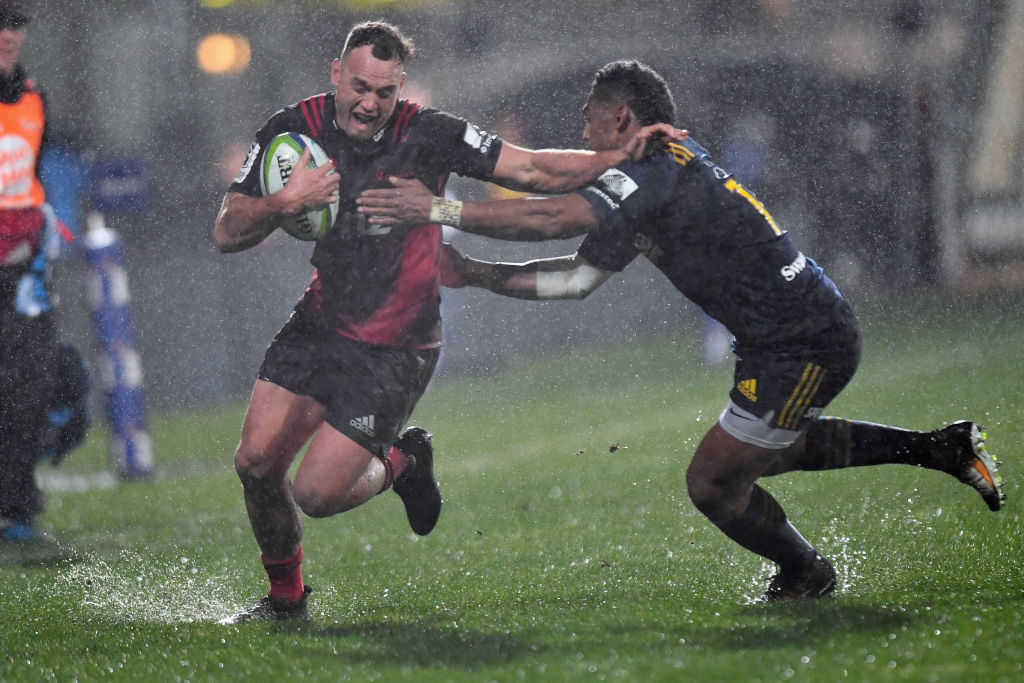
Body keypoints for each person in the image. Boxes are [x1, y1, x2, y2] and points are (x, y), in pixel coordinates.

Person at [356, 60, 1006, 602]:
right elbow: (574, 275)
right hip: (785, 336)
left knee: (713, 482)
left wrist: (437, 209)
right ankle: (942, 449)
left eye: (590, 118)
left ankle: (806, 572)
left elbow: (553, 216)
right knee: (767, 454)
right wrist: (473, 273)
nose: (583, 131)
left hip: (803, 337)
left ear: (620, 119)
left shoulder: (650, 173)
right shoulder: (646, 170)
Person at [212, 24, 683, 622]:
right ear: (336, 74)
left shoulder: (430, 134)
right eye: (359, 87)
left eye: (384, 92)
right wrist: (285, 203)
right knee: (254, 464)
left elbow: (531, 170)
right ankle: (286, 603)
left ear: (400, 89)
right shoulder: (292, 129)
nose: (368, 103)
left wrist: (620, 155)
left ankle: (402, 462)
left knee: (316, 495)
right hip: (319, 321)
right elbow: (227, 231)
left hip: (396, 346)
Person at [0, 0, 86, 544]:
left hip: (23, 271)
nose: (8, 34)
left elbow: (29, 180)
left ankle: (15, 510)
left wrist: (39, 231)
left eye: (15, 24)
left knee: (43, 384)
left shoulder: (33, 97)